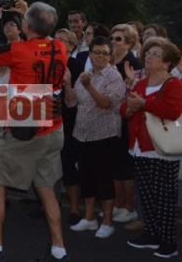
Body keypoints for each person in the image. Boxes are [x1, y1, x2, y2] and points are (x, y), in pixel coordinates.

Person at [0, 0, 69, 262]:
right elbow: (42, 40)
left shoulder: (19, 50)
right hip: (53, 127)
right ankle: (59, 250)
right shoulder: (60, 47)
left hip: (24, 131)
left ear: (26, 25)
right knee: (47, 188)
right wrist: (28, 16)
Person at [122, 37, 182, 258]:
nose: (148, 56)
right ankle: (151, 234)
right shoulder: (142, 83)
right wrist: (128, 109)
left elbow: (172, 110)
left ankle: (168, 242)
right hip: (139, 147)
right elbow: (125, 108)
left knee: (164, 198)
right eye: (148, 53)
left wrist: (143, 104)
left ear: (167, 63)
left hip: (162, 149)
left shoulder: (174, 84)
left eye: (155, 54)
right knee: (147, 195)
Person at [62, 36, 125, 239]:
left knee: (104, 178)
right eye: (96, 52)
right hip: (82, 134)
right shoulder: (84, 74)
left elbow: (106, 103)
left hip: (104, 135)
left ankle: (107, 220)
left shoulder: (114, 77)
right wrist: (68, 84)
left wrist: (89, 87)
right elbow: (72, 103)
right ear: (90, 54)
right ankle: (89, 218)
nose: (100, 56)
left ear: (110, 56)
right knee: (86, 177)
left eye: (104, 53)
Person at [110, 23, 142, 225]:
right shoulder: (109, 60)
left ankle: (129, 206)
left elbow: (135, 94)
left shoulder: (133, 63)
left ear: (130, 43)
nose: (113, 41)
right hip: (108, 118)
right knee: (114, 164)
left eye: (118, 39)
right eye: (112, 38)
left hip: (126, 119)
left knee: (125, 166)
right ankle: (118, 203)